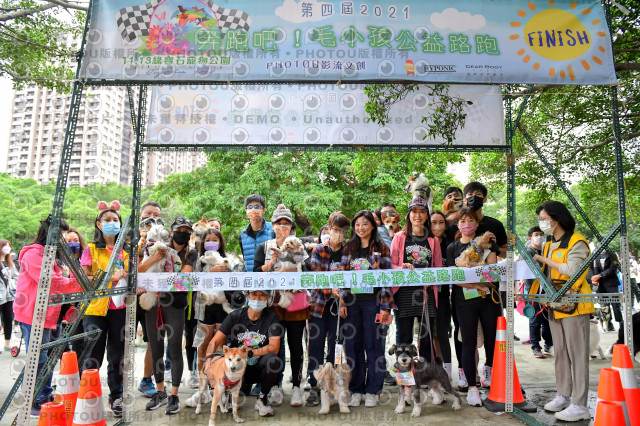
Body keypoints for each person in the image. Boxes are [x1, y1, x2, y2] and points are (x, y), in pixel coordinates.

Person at [532, 201, 593, 422]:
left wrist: (542, 258)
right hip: (554, 304)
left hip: (574, 305)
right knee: (560, 352)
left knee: (578, 354)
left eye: (544, 219)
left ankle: (580, 404)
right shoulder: (549, 243)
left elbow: (572, 270)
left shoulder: (577, 242)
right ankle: (563, 395)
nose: (542, 223)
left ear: (556, 219)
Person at [14, 216, 78, 417]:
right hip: (33, 314)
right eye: (61, 234)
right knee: (38, 358)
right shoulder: (34, 254)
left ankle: (44, 394)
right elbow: (50, 282)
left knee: (49, 357)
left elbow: (61, 283)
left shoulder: (56, 255)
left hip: (52, 314)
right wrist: (80, 283)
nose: (64, 239)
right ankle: (31, 399)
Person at [254, 204, 309, 408]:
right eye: (278, 223)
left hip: (296, 303)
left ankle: (296, 387)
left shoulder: (298, 245)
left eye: (286, 224)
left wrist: (290, 269)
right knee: (274, 346)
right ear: (272, 225)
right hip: (273, 304)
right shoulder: (265, 247)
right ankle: (275, 386)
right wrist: (272, 266)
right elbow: (255, 273)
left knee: (296, 345)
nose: (282, 227)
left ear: (291, 227)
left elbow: (307, 271)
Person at [142, 217, 197, 415]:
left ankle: (174, 395)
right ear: (171, 231)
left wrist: (162, 277)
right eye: (179, 230)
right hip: (153, 304)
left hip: (176, 305)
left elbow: (183, 279)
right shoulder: (157, 247)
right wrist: (155, 259)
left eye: (186, 230)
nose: (182, 233)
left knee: (174, 350)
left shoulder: (191, 253)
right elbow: (140, 270)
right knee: (155, 348)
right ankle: (160, 392)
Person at [339, 210, 394, 408]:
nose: (360, 228)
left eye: (364, 224)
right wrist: (342, 301)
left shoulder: (381, 247)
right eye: (357, 224)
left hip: (373, 302)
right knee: (352, 346)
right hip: (352, 303)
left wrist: (385, 307)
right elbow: (342, 276)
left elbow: (387, 277)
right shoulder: (349, 247)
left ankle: (373, 390)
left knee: (373, 345)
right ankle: (356, 389)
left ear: (372, 226)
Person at [446, 207, 500, 407]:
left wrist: (474, 272)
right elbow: (453, 277)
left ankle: (490, 372)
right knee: (468, 343)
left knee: (492, 340)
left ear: (477, 224)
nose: (466, 224)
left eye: (471, 220)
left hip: (489, 299)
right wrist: (474, 284)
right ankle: (472, 388)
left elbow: (492, 272)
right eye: (462, 221)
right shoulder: (452, 247)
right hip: (464, 301)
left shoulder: (488, 244)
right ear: (457, 225)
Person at [81, 205, 129, 417]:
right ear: (99, 225)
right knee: (93, 355)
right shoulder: (91, 249)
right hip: (95, 310)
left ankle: (116, 397)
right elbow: (85, 279)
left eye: (116, 220)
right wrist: (111, 277)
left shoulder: (127, 251)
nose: (112, 223)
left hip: (121, 309)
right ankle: (88, 398)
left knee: (117, 356)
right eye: (107, 220)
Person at [208, 289, 283, 417]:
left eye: (262, 296)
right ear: (247, 295)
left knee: (273, 360)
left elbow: (274, 347)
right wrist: (208, 364)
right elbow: (213, 342)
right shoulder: (235, 316)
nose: (257, 299)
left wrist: (252, 353)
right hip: (236, 369)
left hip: (258, 367)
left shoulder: (272, 317)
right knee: (223, 361)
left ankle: (262, 398)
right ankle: (231, 392)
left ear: (268, 299)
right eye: (254, 295)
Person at [390, 198, 444, 364]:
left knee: (426, 337)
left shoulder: (433, 240)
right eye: (414, 211)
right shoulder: (399, 237)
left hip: (426, 293)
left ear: (427, 216)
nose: (418, 215)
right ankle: (404, 374)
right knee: (404, 337)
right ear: (409, 215)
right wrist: (401, 268)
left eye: (422, 212)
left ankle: (426, 372)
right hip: (403, 293)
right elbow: (391, 265)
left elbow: (438, 267)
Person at [305, 212, 350, 406]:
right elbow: (315, 278)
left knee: (336, 346)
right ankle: (314, 385)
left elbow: (351, 278)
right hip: (319, 305)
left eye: (342, 231)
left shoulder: (349, 251)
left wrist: (344, 300)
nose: (338, 234)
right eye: (335, 230)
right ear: (329, 230)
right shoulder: (319, 250)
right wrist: (330, 289)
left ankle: (332, 385)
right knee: (315, 346)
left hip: (340, 307)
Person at [136, 201, 163, 398]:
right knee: (121, 342)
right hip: (128, 298)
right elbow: (130, 270)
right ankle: (119, 383)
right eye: (148, 214)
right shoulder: (127, 239)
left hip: (152, 297)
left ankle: (147, 379)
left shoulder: (163, 240)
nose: (151, 218)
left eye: (156, 215)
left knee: (153, 342)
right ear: (140, 216)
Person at [523, 226, 553, 358]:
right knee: (535, 320)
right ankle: (535, 346)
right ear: (530, 238)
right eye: (536, 234)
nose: (539, 237)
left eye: (541, 234)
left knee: (548, 319)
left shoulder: (547, 251)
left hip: (548, 291)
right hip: (533, 291)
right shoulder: (527, 252)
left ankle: (549, 344)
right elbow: (525, 272)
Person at [239, 194, 275, 274]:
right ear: (246, 211)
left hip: (270, 278)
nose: (253, 210)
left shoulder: (273, 229)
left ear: (264, 210)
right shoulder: (242, 235)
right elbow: (246, 260)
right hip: (251, 278)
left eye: (257, 207)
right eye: (250, 207)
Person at [588, 249, 622, 331]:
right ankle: (608, 324)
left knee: (615, 304)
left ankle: (620, 323)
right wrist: (592, 278)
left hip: (611, 283)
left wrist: (600, 275)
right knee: (604, 306)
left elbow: (614, 268)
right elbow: (589, 268)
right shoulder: (594, 255)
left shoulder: (612, 254)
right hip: (599, 284)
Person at [0, 239, 17, 353]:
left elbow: (16, 276)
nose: (7, 248)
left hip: (9, 295)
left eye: (8, 246)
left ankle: (7, 342)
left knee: (8, 318)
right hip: (0, 294)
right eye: (4, 246)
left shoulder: (10, 263)